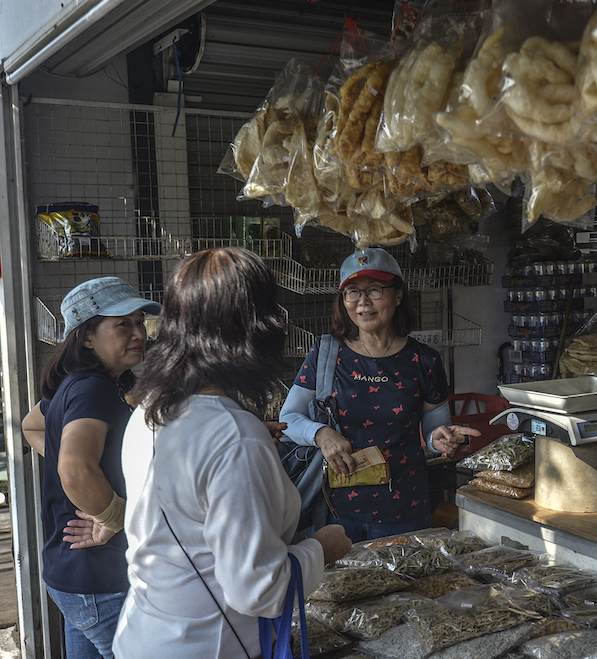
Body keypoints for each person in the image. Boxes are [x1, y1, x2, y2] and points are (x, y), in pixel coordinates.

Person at [112, 247, 351, 659]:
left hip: (144, 634)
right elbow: (257, 590)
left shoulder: (150, 410)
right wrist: (321, 549)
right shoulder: (234, 435)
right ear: (255, 329)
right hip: (207, 645)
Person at [280, 247, 480, 543]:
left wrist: (439, 438)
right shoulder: (325, 354)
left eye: (374, 290)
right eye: (352, 292)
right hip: (334, 510)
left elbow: (434, 430)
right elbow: (288, 418)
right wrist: (321, 433)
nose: (363, 302)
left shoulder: (424, 360)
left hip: (403, 510)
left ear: (398, 295)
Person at [20, 276, 161, 659]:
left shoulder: (79, 383)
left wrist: (86, 462)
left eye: (139, 322)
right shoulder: (92, 389)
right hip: (99, 575)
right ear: (86, 337)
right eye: (123, 324)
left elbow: (32, 426)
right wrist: (115, 515)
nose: (139, 334)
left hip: (73, 571)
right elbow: (76, 470)